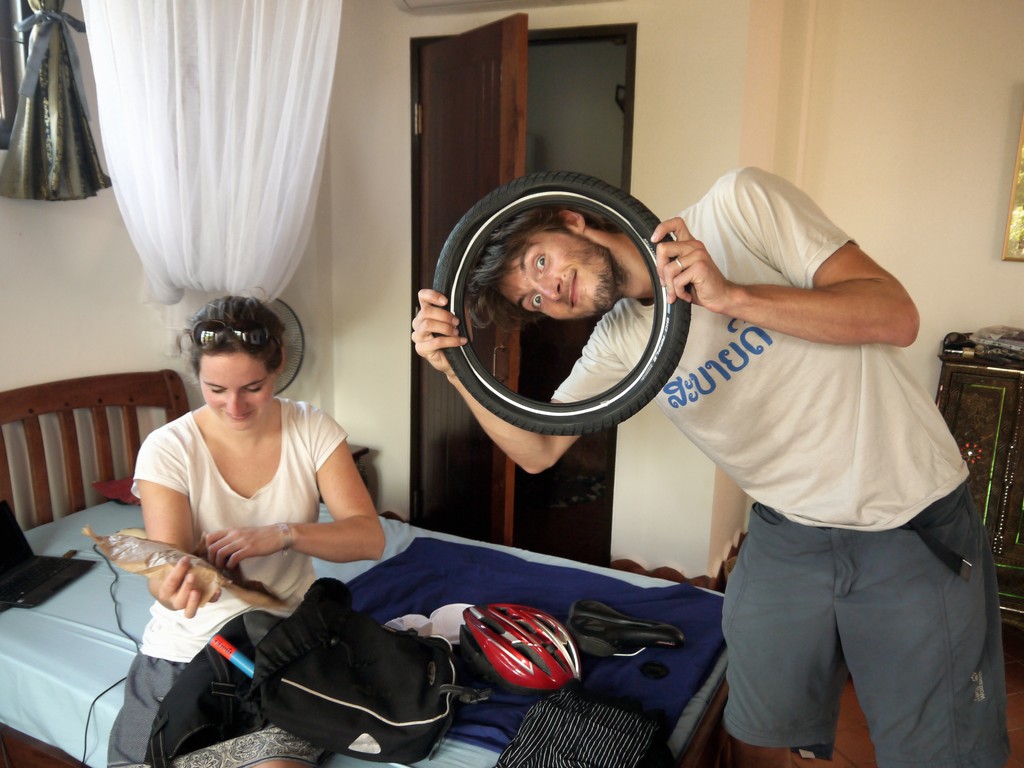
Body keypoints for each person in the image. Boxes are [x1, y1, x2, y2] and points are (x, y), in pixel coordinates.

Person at [412, 167, 1010, 767]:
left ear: (573, 219)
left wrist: (732, 296)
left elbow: (896, 315)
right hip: (789, 529)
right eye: (534, 299)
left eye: (539, 261)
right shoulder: (619, 341)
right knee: (756, 727)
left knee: (937, 750)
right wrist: (455, 368)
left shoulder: (737, 208)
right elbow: (538, 452)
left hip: (909, 516)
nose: (552, 290)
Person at [108, 295, 385, 768]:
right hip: (188, 648)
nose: (234, 406)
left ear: (279, 366)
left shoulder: (311, 428)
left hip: (282, 642)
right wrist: (175, 588)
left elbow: (369, 539)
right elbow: (166, 566)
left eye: (252, 388)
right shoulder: (168, 448)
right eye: (215, 389)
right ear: (197, 375)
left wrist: (284, 534)